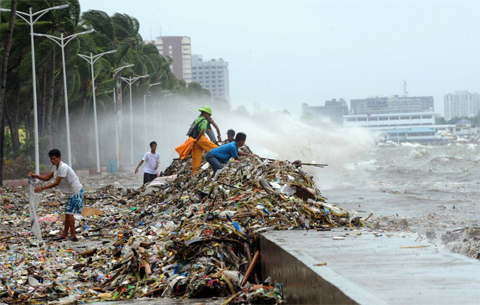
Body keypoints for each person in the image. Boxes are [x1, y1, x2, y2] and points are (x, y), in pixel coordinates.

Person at [28, 149, 83, 242]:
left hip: (76, 191)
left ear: (59, 158)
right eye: (51, 159)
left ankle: (73, 235)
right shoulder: (55, 167)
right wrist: (35, 176)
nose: (52, 161)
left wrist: (42, 188)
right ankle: (65, 234)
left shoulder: (63, 167)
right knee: (68, 213)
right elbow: (47, 178)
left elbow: (57, 182)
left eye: (54, 159)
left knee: (69, 213)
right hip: (71, 193)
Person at [191, 106, 219, 175]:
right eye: (209, 115)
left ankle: (195, 173)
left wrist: (196, 139)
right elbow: (203, 130)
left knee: (196, 158)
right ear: (205, 113)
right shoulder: (204, 120)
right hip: (200, 138)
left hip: (194, 140)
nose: (209, 116)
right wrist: (198, 138)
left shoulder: (197, 119)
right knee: (216, 149)